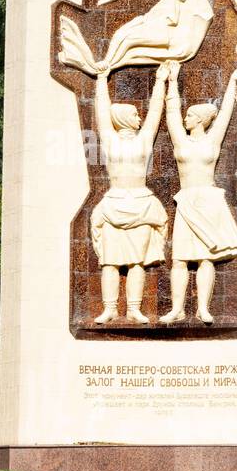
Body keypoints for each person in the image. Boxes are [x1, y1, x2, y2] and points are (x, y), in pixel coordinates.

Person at [160, 59, 237, 324]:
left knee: (205, 258)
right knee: (179, 258)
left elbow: (224, 115)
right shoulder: (181, 139)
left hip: (209, 201)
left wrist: (233, 82)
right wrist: (172, 81)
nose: (185, 118)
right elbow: (171, 113)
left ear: (200, 119)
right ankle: (177, 309)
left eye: (190, 115)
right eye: (186, 115)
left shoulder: (213, 139)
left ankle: (203, 308)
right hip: (186, 201)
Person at [90, 62, 168, 324]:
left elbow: (156, 112)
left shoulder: (144, 139)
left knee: (137, 262)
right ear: (124, 118)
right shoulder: (110, 139)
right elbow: (102, 113)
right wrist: (101, 80)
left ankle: (134, 308)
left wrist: (160, 81)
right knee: (110, 262)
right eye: (136, 114)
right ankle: (110, 308)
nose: (140, 117)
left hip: (141, 204)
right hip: (114, 204)